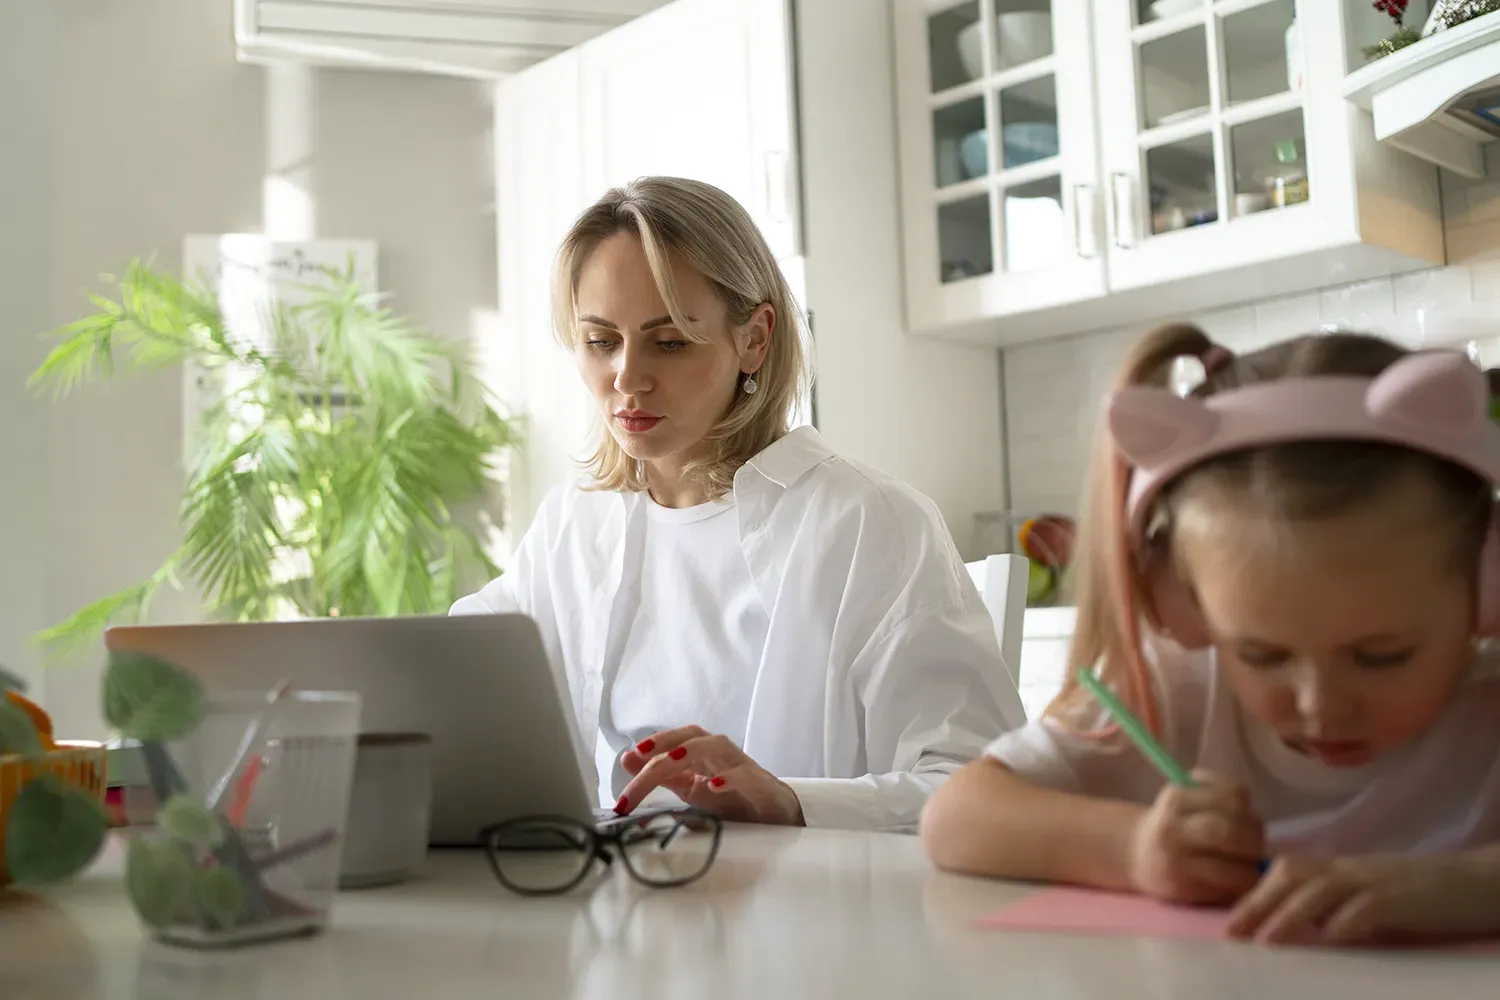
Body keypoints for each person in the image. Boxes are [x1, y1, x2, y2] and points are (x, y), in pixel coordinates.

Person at [452, 176, 1024, 832]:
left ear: (754, 338)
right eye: (601, 341)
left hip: (805, 915)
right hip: (616, 902)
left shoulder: (868, 521)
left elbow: (976, 786)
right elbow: (452, 669)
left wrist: (788, 801)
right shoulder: (572, 525)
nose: (627, 378)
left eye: (669, 342)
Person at [921, 323, 1500, 947]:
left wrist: (1465, 886)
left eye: (1382, 656)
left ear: (1486, 589)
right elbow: (955, 818)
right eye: (1263, 654)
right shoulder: (1174, 691)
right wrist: (1133, 847)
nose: (1321, 705)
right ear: (1184, 604)